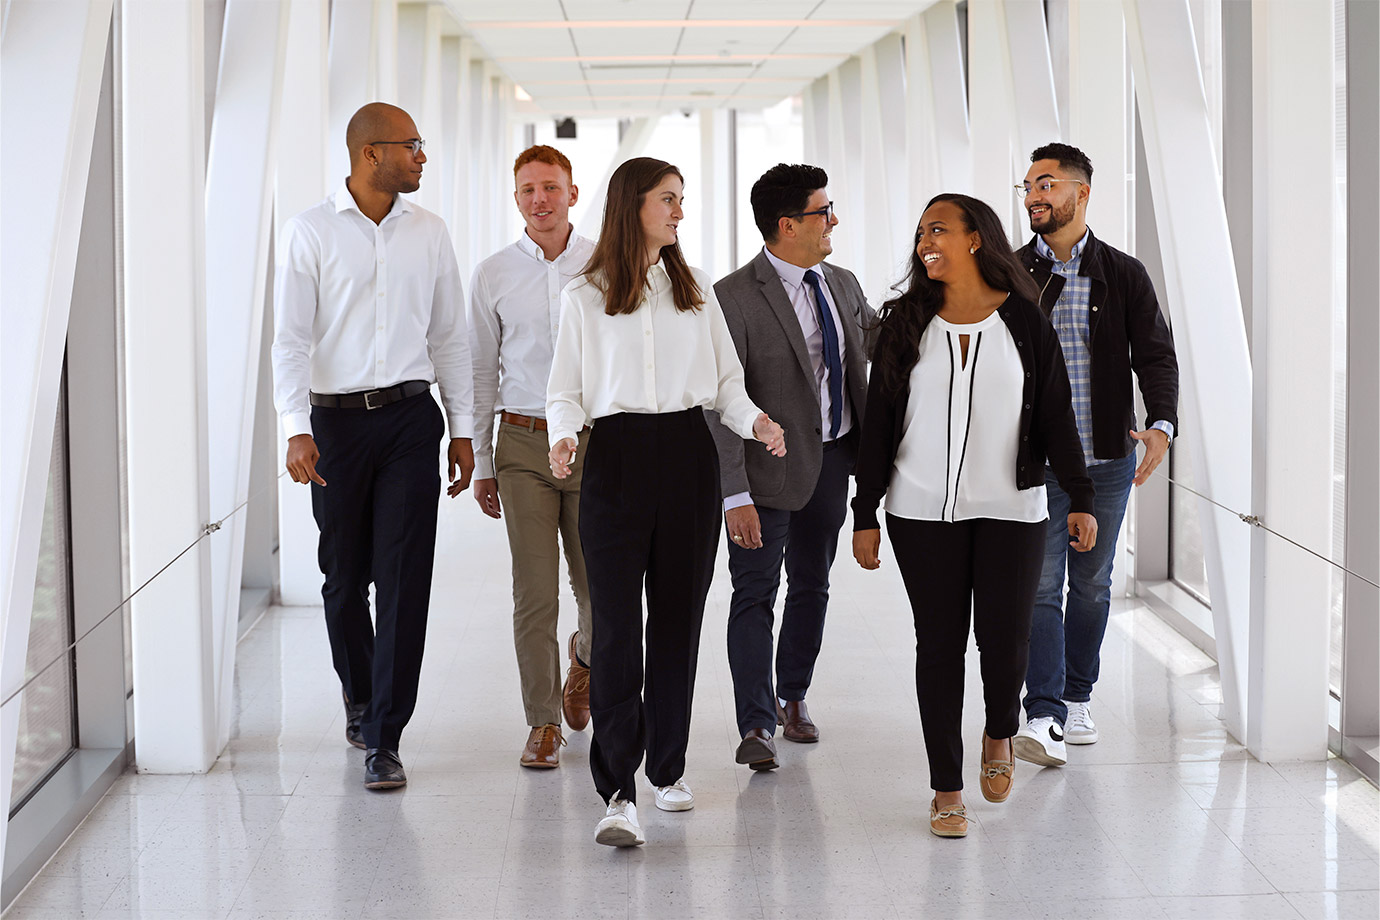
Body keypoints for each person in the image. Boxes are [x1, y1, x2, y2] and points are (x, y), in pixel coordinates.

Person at [546, 157, 786, 847]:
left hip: (687, 458)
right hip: (615, 461)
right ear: (633, 206)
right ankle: (617, 790)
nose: (679, 211)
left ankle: (669, 769)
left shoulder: (697, 290)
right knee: (618, 629)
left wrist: (759, 422)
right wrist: (564, 437)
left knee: (678, 624)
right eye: (668, 199)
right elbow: (564, 391)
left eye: (682, 199)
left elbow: (728, 387)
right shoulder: (584, 296)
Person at [851, 194, 1096, 838]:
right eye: (922, 230)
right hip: (918, 509)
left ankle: (998, 734)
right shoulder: (905, 320)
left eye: (940, 229)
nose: (926, 240)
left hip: (1013, 507)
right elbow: (878, 424)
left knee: (1005, 638)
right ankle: (946, 788)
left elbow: (1055, 416)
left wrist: (1082, 496)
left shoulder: (1024, 321)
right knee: (938, 645)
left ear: (976, 239)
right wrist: (865, 511)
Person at [272, 102, 474, 791]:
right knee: (342, 577)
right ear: (369, 154)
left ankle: (385, 734)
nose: (422, 157)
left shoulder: (431, 233)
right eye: (411, 146)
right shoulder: (310, 231)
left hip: (412, 422)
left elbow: (450, 337)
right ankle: (359, 695)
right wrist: (295, 424)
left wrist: (465, 427)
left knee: (404, 578)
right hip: (336, 429)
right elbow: (291, 338)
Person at [1012, 143, 1180, 768]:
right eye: (1028, 185)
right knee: (1038, 586)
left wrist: (1161, 426)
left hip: (1106, 461)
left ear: (1081, 194)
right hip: (1032, 463)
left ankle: (1078, 697)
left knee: (1090, 585)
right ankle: (1044, 712)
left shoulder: (1124, 273)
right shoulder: (1009, 271)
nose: (1033, 195)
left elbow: (1157, 357)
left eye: (1046, 184)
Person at [706, 164, 875, 772]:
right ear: (788, 224)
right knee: (754, 593)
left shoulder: (843, 284)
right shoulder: (732, 297)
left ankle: (792, 695)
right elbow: (716, 402)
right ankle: (754, 724)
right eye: (823, 212)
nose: (834, 221)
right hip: (766, 473)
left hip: (833, 462)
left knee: (813, 584)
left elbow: (881, 345)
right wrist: (734, 494)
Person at [468, 145, 595, 770]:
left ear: (573, 192)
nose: (539, 199)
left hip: (596, 443)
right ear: (515, 197)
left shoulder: (605, 262)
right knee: (534, 591)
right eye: (527, 190)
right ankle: (542, 723)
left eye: (550, 187)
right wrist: (485, 461)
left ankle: (587, 659)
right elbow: (480, 372)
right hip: (522, 444)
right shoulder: (492, 273)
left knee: (597, 587)